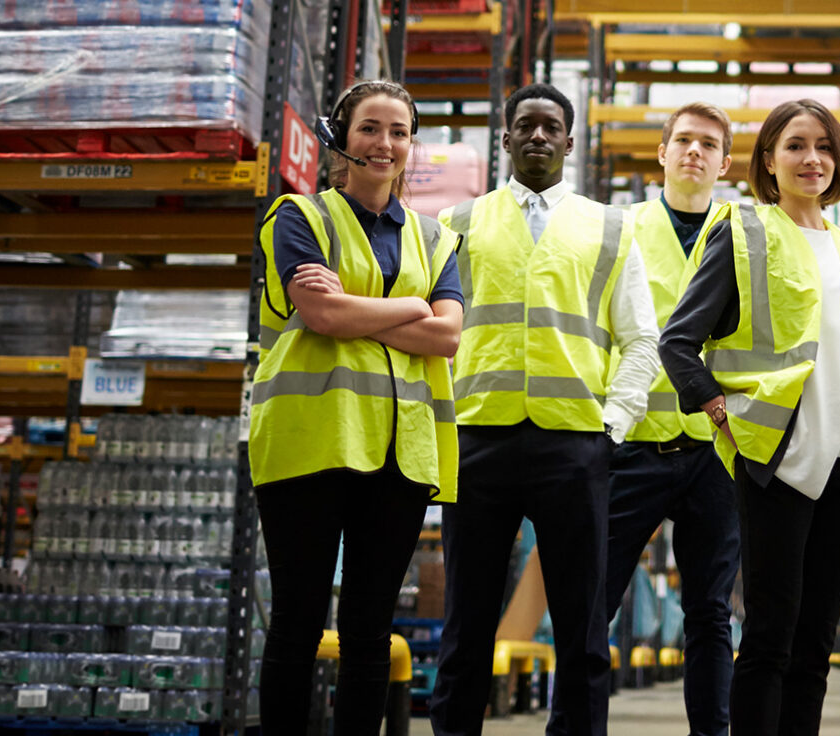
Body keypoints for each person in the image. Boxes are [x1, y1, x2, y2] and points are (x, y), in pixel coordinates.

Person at [660, 98, 840, 736]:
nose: (812, 159)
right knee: (770, 636)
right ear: (768, 160)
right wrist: (721, 412)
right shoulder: (744, 231)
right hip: (778, 461)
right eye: (796, 145)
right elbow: (678, 341)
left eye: (824, 146)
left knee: (815, 644)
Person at [427, 83, 661, 736]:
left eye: (550, 126)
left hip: (574, 447)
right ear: (505, 139)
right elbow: (434, 331)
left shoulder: (611, 227)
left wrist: (613, 427)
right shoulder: (459, 224)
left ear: (569, 140)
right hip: (478, 441)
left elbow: (641, 337)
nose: (537, 135)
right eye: (524, 126)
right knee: (466, 622)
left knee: (583, 626)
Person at [250, 79, 463, 735]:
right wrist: (409, 307)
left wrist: (354, 313)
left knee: (371, 629)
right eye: (371, 128)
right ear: (341, 138)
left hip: (399, 454)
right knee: (298, 620)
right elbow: (318, 310)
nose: (385, 144)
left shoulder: (437, 239)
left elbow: (448, 335)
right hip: (308, 446)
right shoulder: (299, 218)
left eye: (398, 131)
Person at [600, 102, 739, 736]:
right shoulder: (619, 229)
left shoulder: (747, 234)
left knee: (710, 613)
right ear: (661, 153)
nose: (693, 152)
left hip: (718, 452)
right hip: (632, 447)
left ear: (724, 162)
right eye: (682, 140)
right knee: (592, 603)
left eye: (708, 144)